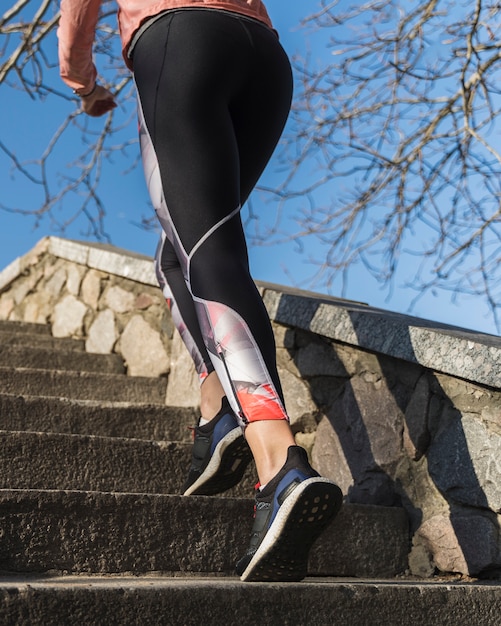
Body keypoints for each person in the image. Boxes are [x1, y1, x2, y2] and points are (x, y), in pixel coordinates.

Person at [58, 0, 342, 582]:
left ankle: (278, 463)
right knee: (181, 251)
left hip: (178, 40)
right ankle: (217, 413)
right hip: (263, 55)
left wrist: (82, 81)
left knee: (206, 247)